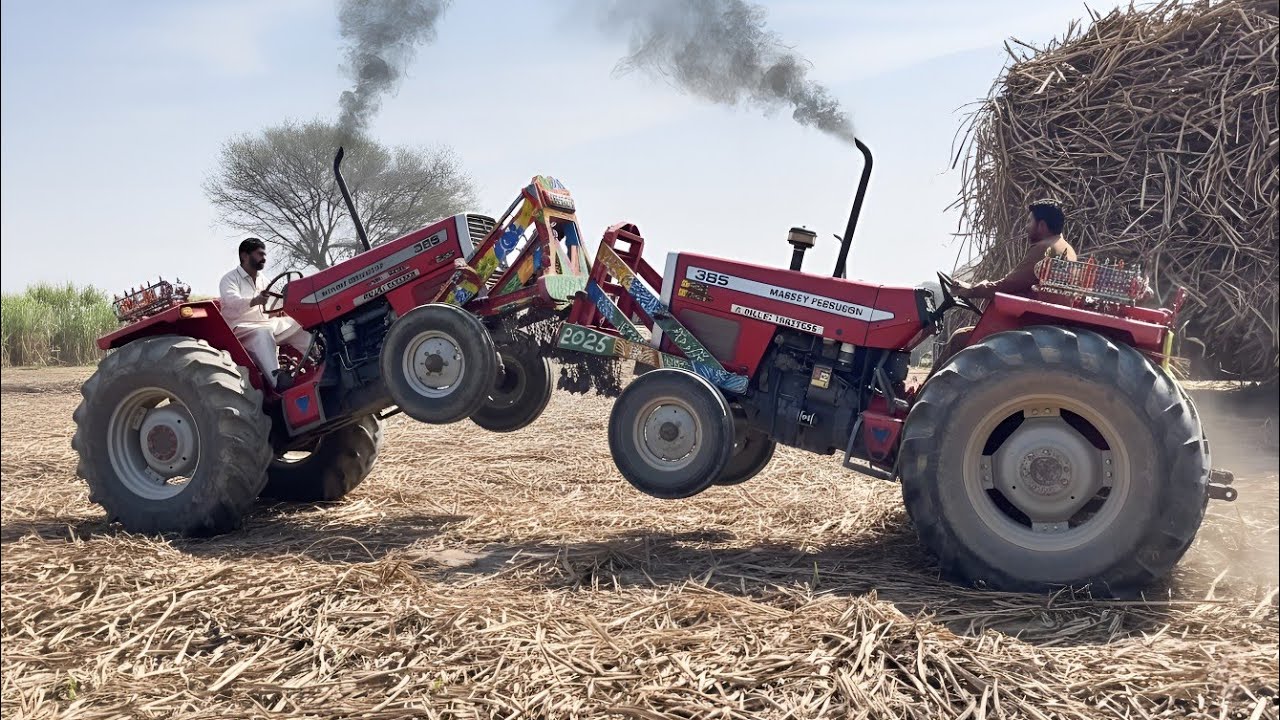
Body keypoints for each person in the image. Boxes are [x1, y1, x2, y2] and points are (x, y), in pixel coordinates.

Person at [935, 200, 1077, 367]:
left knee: (960, 339)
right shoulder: (1066, 249)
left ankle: (924, 392)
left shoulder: (1045, 249)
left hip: (1029, 326)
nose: (1026, 227)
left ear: (1042, 225)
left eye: (1029, 221)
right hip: (1042, 323)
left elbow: (1007, 286)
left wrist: (970, 290)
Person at [218, 238, 310, 390]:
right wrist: (256, 300)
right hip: (241, 328)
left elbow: (273, 300)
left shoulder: (262, 279)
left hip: (265, 323)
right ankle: (277, 380)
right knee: (263, 333)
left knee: (296, 323)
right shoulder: (229, 279)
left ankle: (318, 359)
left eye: (264, 254)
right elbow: (232, 301)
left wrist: (288, 302)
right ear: (245, 256)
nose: (264, 258)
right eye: (259, 254)